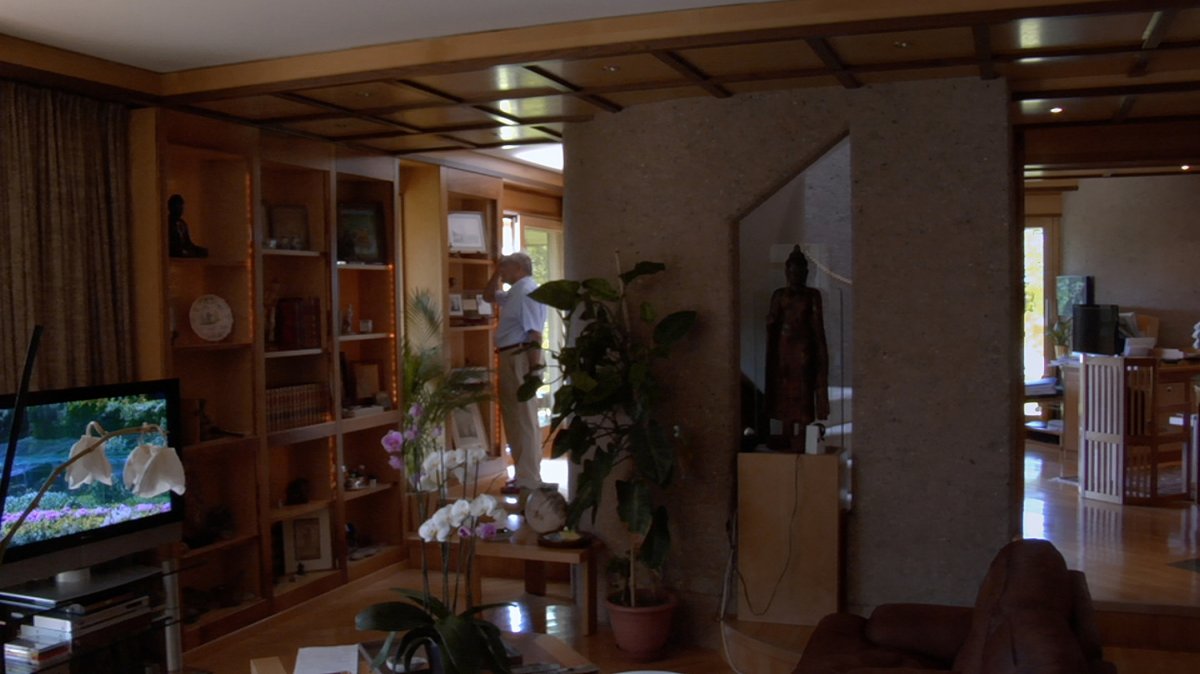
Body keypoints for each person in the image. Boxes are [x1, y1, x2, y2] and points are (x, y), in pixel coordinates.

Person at [484, 252, 548, 494]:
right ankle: (523, 475)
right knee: (515, 417)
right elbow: (488, 296)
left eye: (506, 267)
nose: (502, 270)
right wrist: (496, 272)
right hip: (510, 355)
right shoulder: (516, 291)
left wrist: (534, 369)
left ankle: (530, 478)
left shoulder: (526, 291)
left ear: (519, 268)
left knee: (524, 418)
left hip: (520, 356)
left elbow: (534, 333)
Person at [765, 245, 829, 450]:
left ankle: (802, 431)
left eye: (799, 272)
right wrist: (771, 322)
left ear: (806, 273)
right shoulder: (779, 295)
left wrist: (819, 352)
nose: (795, 276)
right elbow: (772, 320)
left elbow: (817, 326)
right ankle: (785, 431)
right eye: (792, 272)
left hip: (803, 348)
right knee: (783, 386)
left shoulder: (811, 295)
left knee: (803, 386)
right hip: (783, 348)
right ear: (787, 272)